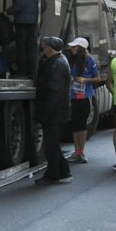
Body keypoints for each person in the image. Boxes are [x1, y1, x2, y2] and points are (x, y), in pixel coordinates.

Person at [33, 36, 73, 185]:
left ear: (50, 48)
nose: (43, 48)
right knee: (54, 144)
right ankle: (63, 170)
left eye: (44, 46)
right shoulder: (59, 61)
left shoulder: (55, 64)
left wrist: (46, 113)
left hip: (54, 112)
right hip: (57, 111)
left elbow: (54, 92)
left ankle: (53, 174)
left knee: (51, 145)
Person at [66, 37, 104, 164]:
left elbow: (97, 78)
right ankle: (76, 151)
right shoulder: (71, 60)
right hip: (73, 96)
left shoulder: (89, 60)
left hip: (85, 96)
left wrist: (85, 80)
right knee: (75, 124)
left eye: (75, 47)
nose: (72, 49)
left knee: (82, 125)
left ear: (81, 48)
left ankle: (81, 152)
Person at [6, 0, 44, 78]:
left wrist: (7, 12)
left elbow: (21, 3)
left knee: (21, 48)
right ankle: (33, 72)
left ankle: (22, 72)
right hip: (35, 22)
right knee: (32, 47)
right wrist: (37, 15)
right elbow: (43, 4)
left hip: (22, 22)